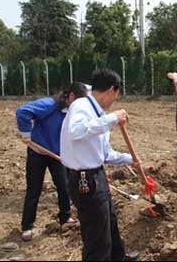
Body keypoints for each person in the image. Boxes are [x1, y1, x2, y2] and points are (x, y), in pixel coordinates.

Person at [60, 69, 139, 261]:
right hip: (84, 180)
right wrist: (112, 118)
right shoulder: (81, 106)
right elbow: (76, 131)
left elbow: (105, 154)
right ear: (112, 90)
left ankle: (118, 257)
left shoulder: (99, 115)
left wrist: (131, 160)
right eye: (116, 97)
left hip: (97, 175)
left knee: (109, 222)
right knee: (97, 237)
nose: (114, 102)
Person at [16, 82, 88, 242]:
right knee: (34, 189)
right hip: (37, 152)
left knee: (63, 185)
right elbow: (22, 111)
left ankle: (65, 217)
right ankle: (27, 226)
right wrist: (26, 133)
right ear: (70, 96)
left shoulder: (74, 112)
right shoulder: (49, 104)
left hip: (57, 154)